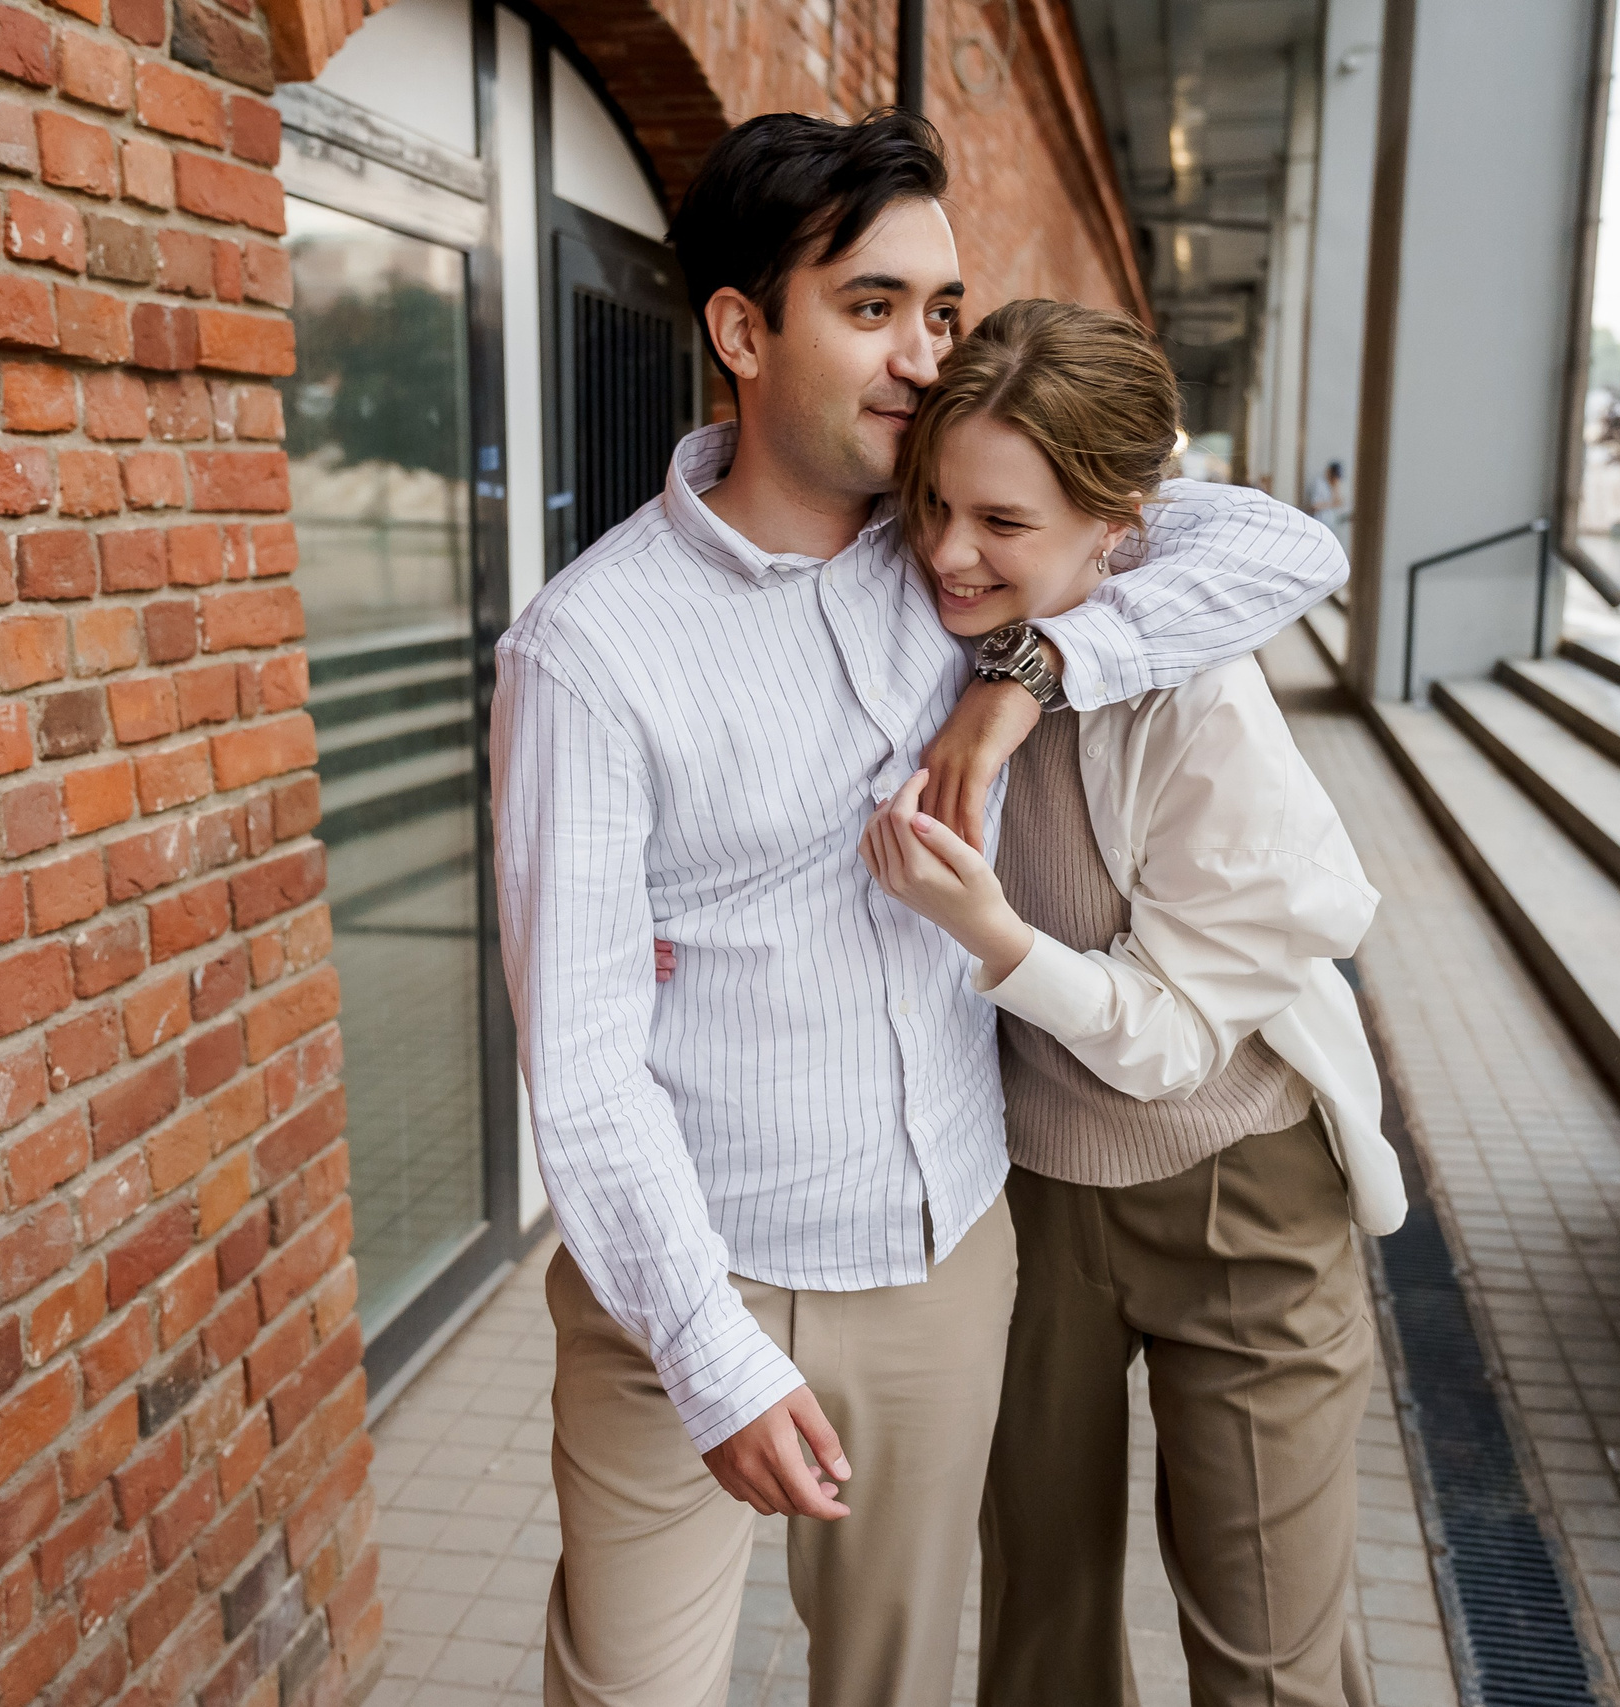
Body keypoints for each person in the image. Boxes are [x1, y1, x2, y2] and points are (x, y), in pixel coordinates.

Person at [490, 110, 1349, 1707]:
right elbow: (583, 1062)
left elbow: (1276, 543)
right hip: (689, 1280)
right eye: (871, 307)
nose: (919, 355)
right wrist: (709, 1347)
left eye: (941, 311)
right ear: (743, 332)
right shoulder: (589, 649)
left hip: (948, 1260)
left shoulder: (952, 555)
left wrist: (1034, 672)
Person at [858, 299, 1407, 1707]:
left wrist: (997, 938)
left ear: (1121, 533)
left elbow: (1168, 1041)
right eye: (932, 504)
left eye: (1001, 523)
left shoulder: (1199, 705)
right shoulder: (919, 621)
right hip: (1032, 1194)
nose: (946, 552)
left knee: (1267, 1645)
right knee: (1040, 1628)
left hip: (1242, 1188)